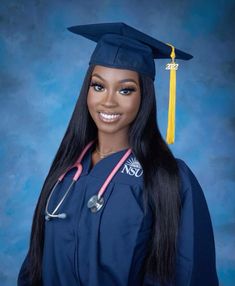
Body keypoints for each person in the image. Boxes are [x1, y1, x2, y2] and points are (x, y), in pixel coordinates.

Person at [17, 22, 219, 286]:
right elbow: (36, 266)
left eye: (125, 90)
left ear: (143, 96)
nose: (108, 101)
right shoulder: (66, 173)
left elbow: (189, 272)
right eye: (98, 86)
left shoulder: (168, 178)